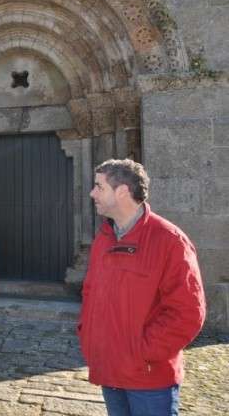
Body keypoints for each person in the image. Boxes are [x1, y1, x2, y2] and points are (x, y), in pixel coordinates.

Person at [79, 159, 206, 416]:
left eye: (99, 187)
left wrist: (141, 353)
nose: (92, 193)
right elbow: (91, 293)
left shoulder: (169, 241)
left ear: (122, 191)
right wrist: (88, 336)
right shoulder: (104, 238)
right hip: (109, 370)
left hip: (148, 379)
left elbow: (188, 313)